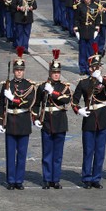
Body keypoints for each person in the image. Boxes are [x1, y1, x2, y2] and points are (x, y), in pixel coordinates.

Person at [73, 49, 106, 189]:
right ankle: (86, 178)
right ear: (90, 68)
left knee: (100, 151)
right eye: (94, 67)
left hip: (102, 118)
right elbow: (74, 100)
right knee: (88, 150)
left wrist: (101, 79)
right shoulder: (83, 83)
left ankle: (96, 178)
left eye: (99, 67)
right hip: (89, 118)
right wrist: (79, 110)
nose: (97, 69)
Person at [0, 48, 37, 190]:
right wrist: (0, 122)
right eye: (17, 70)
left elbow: (29, 102)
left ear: (24, 70)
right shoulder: (7, 85)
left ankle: (19, 180)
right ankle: (10, 180)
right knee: (10, 153)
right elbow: (1, 105)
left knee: (22, 154)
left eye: (21, 70)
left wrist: (13, 98)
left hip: (23, 120)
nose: (19, 72)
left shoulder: (29, 86)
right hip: (10, 121)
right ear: (13, 71)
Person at [35, 51, 73, 189]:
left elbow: (67, 99)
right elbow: (36, 104)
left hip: (60, 122)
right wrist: (35, 119)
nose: (57, 74)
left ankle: (55, 179)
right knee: (47, 153)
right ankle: (46, 178)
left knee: (57, 154)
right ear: (50, 72)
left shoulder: (64, 87)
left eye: (58, 72)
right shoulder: (42, 87)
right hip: (46, 121)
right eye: (54, 72)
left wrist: (53, 92)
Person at [74, 0, 100, 76]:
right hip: (83, 30)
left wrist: (97, 28)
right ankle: (82, 68)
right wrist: (76, 30)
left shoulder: (95, 6)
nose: (87, 0)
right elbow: (76, 19)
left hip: (91, 31)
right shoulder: (80, 6)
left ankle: (90, 68)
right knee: (82, 51)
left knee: (90, 51)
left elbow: (97, 18)